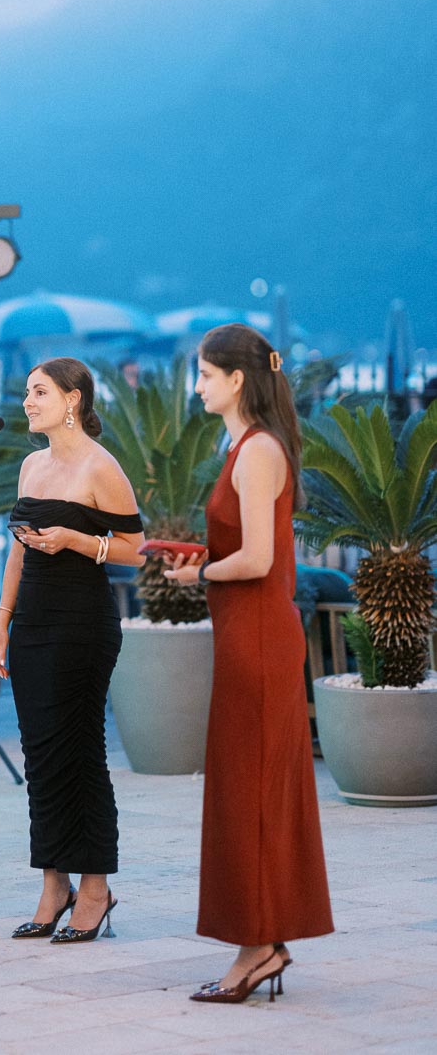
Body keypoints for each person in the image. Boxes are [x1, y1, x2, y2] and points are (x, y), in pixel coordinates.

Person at [164, 324, 334, 1002]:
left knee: (253, 793)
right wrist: (200, 565)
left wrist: (198, 575)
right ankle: (261, 939)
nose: (198, 385)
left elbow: (260, 560)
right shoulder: (244, 446)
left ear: (236, 380)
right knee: (245, 790)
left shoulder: (258, 450)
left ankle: (258, 948)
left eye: (205, 374)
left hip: (258, 636)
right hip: (247, 633)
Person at [0, 357, 144, 944]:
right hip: (30, 624)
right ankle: (54, 883)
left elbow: (135, 547)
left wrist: (77, 539)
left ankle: (96, 887)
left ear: (73, 399)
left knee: (79, 753)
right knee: (40, 758)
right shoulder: (30, 465)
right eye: (26, 391)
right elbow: (19, 552)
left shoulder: (102, 467)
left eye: (40, 391)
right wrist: (2, 621)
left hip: (82, 626)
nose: (28, 401)